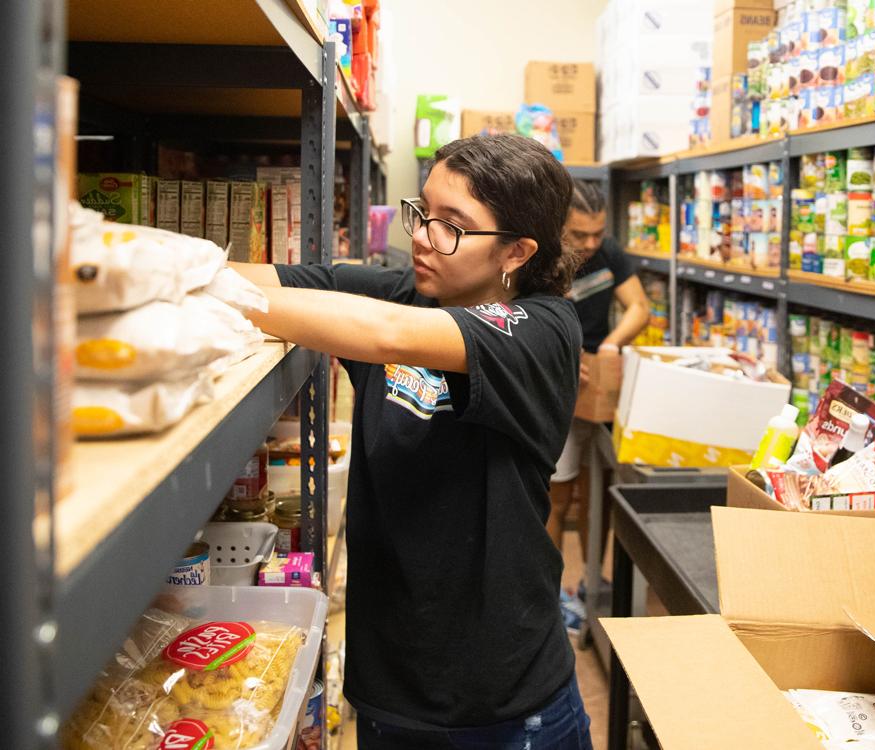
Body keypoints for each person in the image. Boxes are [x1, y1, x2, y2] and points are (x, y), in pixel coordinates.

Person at [230, 134, 592, 749]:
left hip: (502, 693)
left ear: (517, 250)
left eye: (451, 226)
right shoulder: (410, 287)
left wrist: (220, 297)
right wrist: (135, 258)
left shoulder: (545, 330)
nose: (421, 236)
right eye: (422, 212)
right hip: (392, 682)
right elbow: (276, 278)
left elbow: (391, 335)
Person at [546, 180, 649, 626]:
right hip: (559, 391)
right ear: (560, 226)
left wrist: (610, 346)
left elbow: (639, 308)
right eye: (580, 235)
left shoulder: (609, 254)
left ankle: (591, 580)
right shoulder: (543, 257)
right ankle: (548, 596)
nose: (590, 244)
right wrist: (560, 353)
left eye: (598, 234)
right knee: (557, 495)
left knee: (601, 491)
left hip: (601, 388)